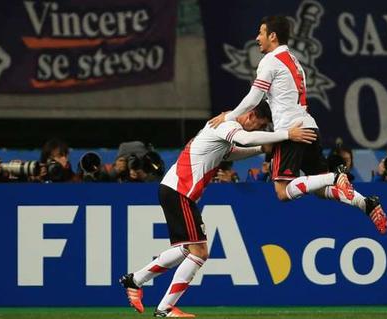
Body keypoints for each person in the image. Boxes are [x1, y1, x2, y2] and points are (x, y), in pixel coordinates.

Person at [119, 101, 318, 318]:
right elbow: (244, 139)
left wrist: (261, 148)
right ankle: (164, 309)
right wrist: (287, 134)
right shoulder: (227, 124)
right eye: (260, 126)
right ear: (250, 116)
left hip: (177, 191)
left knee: (188, 249)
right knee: (200, 252)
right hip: (179, 191)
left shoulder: (226, 126)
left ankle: (135, 279)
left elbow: (230, 153)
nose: (259, 131)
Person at [209, 15, 387, 234]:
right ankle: (365, 203)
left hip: (292, 132)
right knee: (322, 190)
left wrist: (227, 118)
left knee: (283, 192)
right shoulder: (294, 61)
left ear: (272, 36)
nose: (257, 38)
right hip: (309, 127)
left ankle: (335, 175)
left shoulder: (270, 61)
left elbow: (253, 99)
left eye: (261, 33)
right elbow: (276, 100)